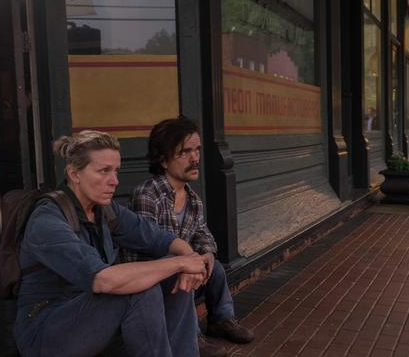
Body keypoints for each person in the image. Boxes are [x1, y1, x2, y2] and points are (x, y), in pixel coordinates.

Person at [14, 130, 212, 356]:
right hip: (46, 333)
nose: (114, 181)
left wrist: (187, 259)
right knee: (139, 288)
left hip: (93, 318)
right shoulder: (47, 219)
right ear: (74, 174)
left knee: (170, 274)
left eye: (116, 171)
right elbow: (103, 281)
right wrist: (182, 264)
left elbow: (160, 238)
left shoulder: (104, 210)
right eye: (103, 171)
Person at [119, 117, 254, 356]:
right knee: (183, 274)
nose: (195, 158)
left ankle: (221, 319)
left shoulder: (193, 199)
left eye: (197, 150)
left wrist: (208, 254)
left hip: (184, 270)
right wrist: (186, 263)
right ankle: (191, 336)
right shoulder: (148, 195)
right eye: (184, 152)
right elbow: (147, 246)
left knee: (217, 269)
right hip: (155, 281)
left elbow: (204, 235)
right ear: (162, 159)